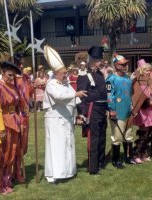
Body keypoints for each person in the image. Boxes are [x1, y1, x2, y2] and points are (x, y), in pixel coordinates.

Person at [43, 45, 87, 183]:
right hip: (55, 120)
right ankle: (54, 175)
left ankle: (68, 171)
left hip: (67, 119)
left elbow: (76, 98)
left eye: (66, 73)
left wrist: (81, 112)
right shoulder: (51, 85)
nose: (66, 75)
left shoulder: (66, 84)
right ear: (56, 73)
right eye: (63, 73)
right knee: (56, 145)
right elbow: (59, 96)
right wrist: (75, 95)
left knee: (67, 144)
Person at [77, 46, 108, 175]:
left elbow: (104, 93)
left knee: (102, 137)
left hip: (102, 108)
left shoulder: (100, 74)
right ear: (92, 60)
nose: (100, 62)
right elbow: (81, 97)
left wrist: (106, 108)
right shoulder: (84, 75)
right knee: (94, 138)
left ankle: (101, 163)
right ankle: (93, 167)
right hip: (92, 109)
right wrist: (82, 114)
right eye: (98, 60)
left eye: (100, 60)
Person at [133, 60, 152, 163]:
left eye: (150, 70)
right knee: (143, 132)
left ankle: (144, 153)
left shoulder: (149, 81)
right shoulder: (140, 81)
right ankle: (137, 154)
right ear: (142, 70)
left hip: (150, 110)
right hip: (144, 110)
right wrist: (151, 102)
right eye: (146, 70)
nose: (149, 72)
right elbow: (140, 97)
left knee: (148, 133)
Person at [106, 54, 134, 168]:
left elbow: (130, 94)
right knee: (117, 136)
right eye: (123, 64)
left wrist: (131, 105)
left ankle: (128, 157)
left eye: (126, 64)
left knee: (128, 135)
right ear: (116, 65)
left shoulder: (127, 78)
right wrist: (112, 110)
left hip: (127, 111)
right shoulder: (111, 79)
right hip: (117, 112)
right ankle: (116, 160)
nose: (126, 66)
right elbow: (109, 96)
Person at [0, 61, 22, 193]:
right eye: (8, 75)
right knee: (3, 155)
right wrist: (0, 128)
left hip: (14, 123)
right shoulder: (0, 87)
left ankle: (7, 182)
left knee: (11, 154)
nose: (11, 78)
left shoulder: (13, 87)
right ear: (2, 73)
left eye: (13, 76)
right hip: (3, 123)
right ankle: (0, 185)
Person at [14, 53, 33, 183]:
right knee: (16, 146)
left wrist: (34, 85)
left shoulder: (25, 77)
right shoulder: (11, 79)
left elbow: (29, 92)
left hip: (25, 115)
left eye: (22, 63)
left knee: (23, 146)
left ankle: (17, 169)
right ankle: (15, 172)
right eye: (18, 63)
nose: (21, 66)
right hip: (16, 115)